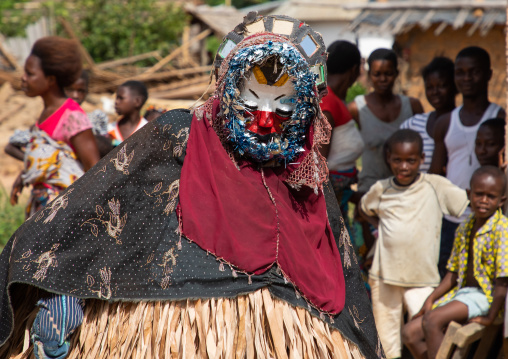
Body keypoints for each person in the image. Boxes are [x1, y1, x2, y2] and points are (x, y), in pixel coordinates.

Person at [0, 14, 382, 359]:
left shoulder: (301, 167)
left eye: (283, 106)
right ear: (228, 90)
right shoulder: (179, 134)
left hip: (285, 329)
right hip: (173, 320)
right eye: (251, 100)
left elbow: (339, 260)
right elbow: (105, 199)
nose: (266, 120)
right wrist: (65, 285)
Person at [360, 129, 468, 359]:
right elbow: (364, 208)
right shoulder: (381, 189)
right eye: (397, 160)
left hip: (422, 277)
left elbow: (467, 201)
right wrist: (379, 228)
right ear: (388, 158)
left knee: (426, 331)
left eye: (411, 160)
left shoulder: (435, 186)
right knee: (387, 340)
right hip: (384, 276)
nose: (404, 167)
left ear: (422, 159)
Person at [402, 166, 508, 359]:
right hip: (461, 294)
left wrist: (490, 316)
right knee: (409, 333)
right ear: (469, 194)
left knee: (432, 321)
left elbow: (502, 282)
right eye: (479, 194)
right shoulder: (465, 227)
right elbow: (453, 273)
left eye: (490, 196)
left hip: (486, 297)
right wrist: (431, 299)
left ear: (502, 200)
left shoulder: (502, 230)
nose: (484, 200)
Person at [429, 46, 505, 278]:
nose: (467, 78)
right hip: (451, 221)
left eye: (474, 72)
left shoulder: (500, 119)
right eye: (460, 73)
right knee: (448, 278)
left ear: (489, 74)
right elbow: (435, 176)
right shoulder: (446, 122)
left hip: (489, 220)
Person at [6, 36, 100, 218]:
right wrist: (25, 175)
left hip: (66, 215)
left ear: (50, 80)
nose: (23, 79)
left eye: (30, 74)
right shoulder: (45, 114)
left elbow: (95, 170)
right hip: (43, 212)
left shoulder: (72, 117)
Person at [348, 48, 424, 194]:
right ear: (369, 75)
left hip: (406, 192)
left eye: (388, 74)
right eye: (377, 74)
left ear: (396, 73)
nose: (383, 79)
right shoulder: (357, 108)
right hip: (369, 192)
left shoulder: (412, 106)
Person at [319, 40, 363, 221]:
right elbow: (319, 163)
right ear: (354, 70)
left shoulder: (334, 100)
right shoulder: (328, 101)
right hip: (329, 208)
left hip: (339, 201)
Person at [400, 57, 457, 172]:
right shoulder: (413, 125)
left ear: (455, 86)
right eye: (429, 87)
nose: (435, 92)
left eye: (442, 86)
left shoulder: (465, 124)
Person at [108, 80, 148, 146]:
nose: (116, 102)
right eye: (117, 98)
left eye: (121, 98)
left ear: (138, 101)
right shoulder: (110, 130)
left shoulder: (148, 132)